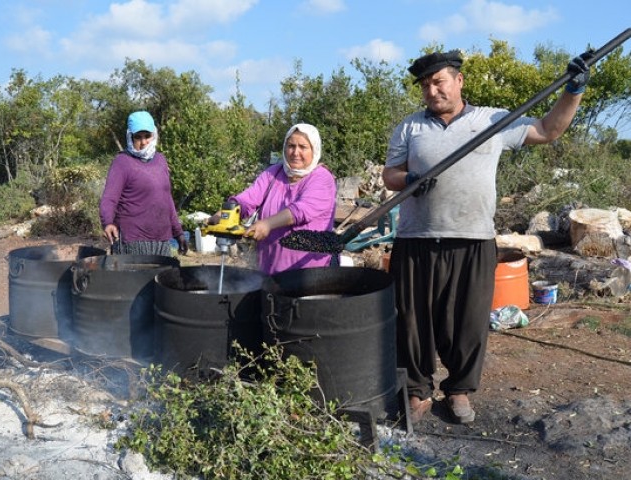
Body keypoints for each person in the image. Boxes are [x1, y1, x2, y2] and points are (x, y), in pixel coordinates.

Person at [381, 49, 591, 425]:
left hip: (473, 238)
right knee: (411, 320)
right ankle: (417, 390)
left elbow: (548, 130)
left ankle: (459, 390)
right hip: (416, 238)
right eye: (425, 85)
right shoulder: (409, 127)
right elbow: (390, 176)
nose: (432, 91)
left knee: (468, 321)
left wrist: (573, 90)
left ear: (459, 81)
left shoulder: (494, 121)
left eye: (438, 81)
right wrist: (409, 180)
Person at [209, 123, 337, 275]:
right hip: (271, 271)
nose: (295, 152)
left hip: (310, 274)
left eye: (303, 147)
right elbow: (248, 199)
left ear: (314, 150)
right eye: (291, 146)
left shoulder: (322, 178)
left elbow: (301, 210)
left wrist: (268, 224)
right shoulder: (274, 173)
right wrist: (226, 213)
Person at [99, 111, 188, 256]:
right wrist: (107, 222)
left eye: (147, 136)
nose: (144, 142)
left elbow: (166, 199)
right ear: (130, 137)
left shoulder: (160, 160)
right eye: (138, 137)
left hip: (161, 240)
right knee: (136, 279)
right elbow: (109, 198)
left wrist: (178, 232)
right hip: (133, 241)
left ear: (154, 135)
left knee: (161, 279)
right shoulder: (122, 162)